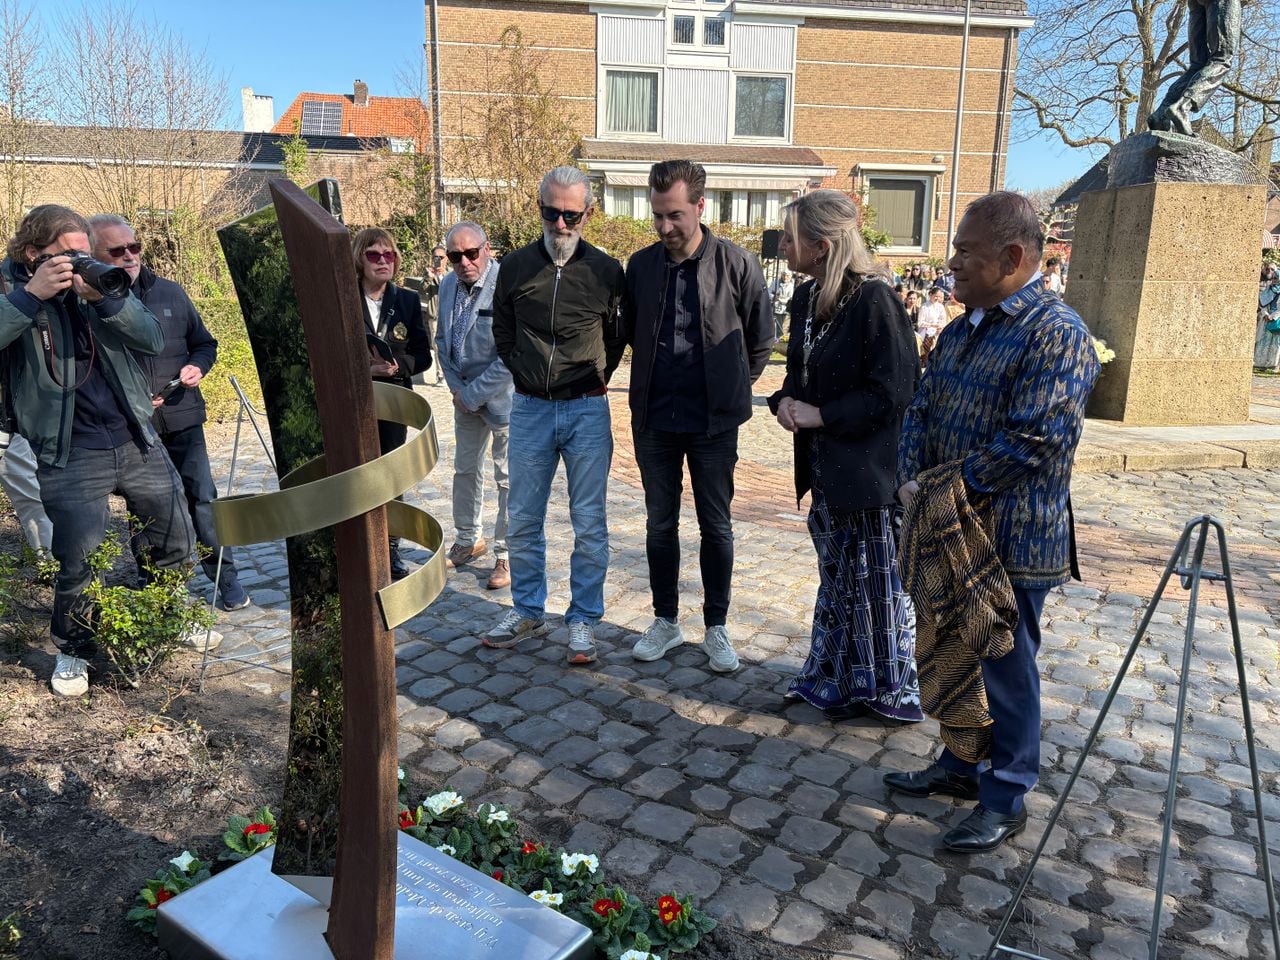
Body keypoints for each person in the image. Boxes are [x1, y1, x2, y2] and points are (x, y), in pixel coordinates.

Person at [887, 191, 1099, 853]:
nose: (951, 262)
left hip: (1012, 543)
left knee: (1007, 667)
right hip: (947, 533)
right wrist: (909, 475)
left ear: (1012, 257)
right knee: (951, 652)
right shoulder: (962, 326)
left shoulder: (1056, 332)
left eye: (965, 252)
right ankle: (958, 764)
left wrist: (947, 485)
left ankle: (1005, 795)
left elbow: (1037, 437)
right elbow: (921, 408)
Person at [0, 205, 194, 697]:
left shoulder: (101, 287)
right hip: (69, 451)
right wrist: (30, 297)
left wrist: (105, 300)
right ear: (33, 254)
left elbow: (152, 338)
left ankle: (164, 619)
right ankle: (74, 649)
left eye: (84, 254)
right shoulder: (11, 291)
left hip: (134, 436)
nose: (79, 263)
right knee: (80, 559)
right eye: (67, 256)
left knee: (174, 538)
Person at [768, 190, 923, 723]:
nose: (783, 245)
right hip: (826, 472)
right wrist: (784, 401)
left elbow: (895, 391)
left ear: (823, 245)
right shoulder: (808, 299)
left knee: (876, 586)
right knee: (838, 582)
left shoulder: (876, 301)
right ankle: (833, 678)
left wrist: (823, 415)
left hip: (869, 474)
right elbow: (798, 375)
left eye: (791, 237)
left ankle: (884, 687)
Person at [621, 160, 774, 673]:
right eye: (658, 215)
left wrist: (732, 388)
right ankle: (666, 620)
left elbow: (762, 340)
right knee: (659, 525)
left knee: (717, 526)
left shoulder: (737, 264)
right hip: (654, 422)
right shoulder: (640, 268)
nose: (665, 227)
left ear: (701, 207)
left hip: (713, 425)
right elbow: (626, 331)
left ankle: (717, 626)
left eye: (676, 216)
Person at [486, 166, 626, 664]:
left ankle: (584, 619)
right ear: (538, 209)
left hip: (587, 408)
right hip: (529, 409)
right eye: (552, 212)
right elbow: (502, 328)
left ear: (588, 213)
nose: (561, 224)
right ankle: (527, 609)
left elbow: (616, 335)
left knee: (590, 522)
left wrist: (594, 375)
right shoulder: (515, 267)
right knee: (522, 518)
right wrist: (524, 369)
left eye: (571, 214)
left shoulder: (606, 271)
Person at [89, 215, 251, 612]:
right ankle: (154, 585)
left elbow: (204, 343)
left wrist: (199, 366)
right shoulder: (88, 305)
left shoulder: (171, 293)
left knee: (203, 499)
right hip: (131, 428)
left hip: (182, 418)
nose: (129, 256)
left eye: (135, 247)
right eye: (117, 250)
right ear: (93, 255)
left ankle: (223, 578)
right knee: (144, 507)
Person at [353, 227, 432, 579]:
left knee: (391, 477)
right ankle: (359, 547)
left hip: (395, 401)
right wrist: (364, 368)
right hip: (355, 401)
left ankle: (392, 548)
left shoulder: (408, 301)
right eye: (374, 255)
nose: (383, 261)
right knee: (356, 474)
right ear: (360, 259)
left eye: (389, 255)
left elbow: (423, 355)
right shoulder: (344, 298)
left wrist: (400, 366)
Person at [436, 221, 512, 590]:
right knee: (465, 470)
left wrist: (471, 394)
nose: (464, 262)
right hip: (463, 398)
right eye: (455, 256)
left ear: (487, 248)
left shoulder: (506, 285)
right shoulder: (448, 284)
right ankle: (468, 539)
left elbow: (511, 355)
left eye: (471, 253)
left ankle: (506, 554)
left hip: (502, 400)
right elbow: (442, 341)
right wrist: (455, 390)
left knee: (508, 479)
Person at [1255, 263, 1280, 372]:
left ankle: (1273, 365)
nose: (1274, 279)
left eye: (1276, 278)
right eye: (1273, 278)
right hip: (1266, 319)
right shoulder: (1268, 289)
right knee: (1263, 341)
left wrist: (1273, 316)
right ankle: (1260, 364)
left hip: (1276, 319)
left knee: (1275, 343)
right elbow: (1262, 303)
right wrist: (1266, 314)